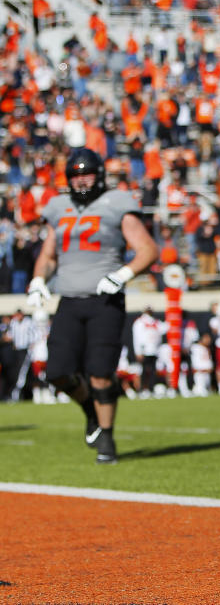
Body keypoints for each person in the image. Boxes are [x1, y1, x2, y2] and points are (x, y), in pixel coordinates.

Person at [27, 148, 158, 464]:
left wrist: (122, 274)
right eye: (75, 175)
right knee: (57, 372)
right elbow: (48, 254)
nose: (82, 180)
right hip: (69, 300)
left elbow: (148, 249)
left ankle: (107, 439)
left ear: (99, 175)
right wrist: (38, 280)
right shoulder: (59, 207)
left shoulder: (117, 203)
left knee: (100, 372)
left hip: (105, 300)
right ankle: (90, 410)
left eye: (86, 173)